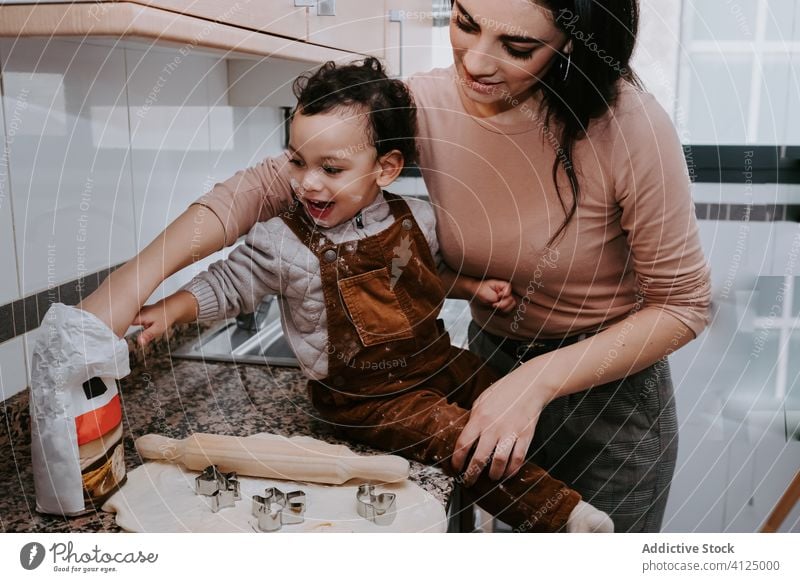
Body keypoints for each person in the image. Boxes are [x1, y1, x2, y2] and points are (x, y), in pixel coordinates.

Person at [80, 0, 710, 532]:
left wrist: (535, 382)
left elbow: (685, 304)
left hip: (610, 397)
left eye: (517, 46)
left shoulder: (631, 127)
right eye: (465, 22)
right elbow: (264, 187)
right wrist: (134, 283)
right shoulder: (427, 104)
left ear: (573, 40)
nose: (477, 61)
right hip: (486, 362)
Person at [133, 58, 613, 533]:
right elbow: (227, 283)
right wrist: (170, 311)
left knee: (504, 396)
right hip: (365, 399)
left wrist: (469, 289)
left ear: (385, 168)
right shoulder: (284, 241)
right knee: (459, 438)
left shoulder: (415, 219)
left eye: (332, 168)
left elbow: (417, 277)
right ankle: (561, 516)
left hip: (435, 359)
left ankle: (546, 484)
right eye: (297, 161)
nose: (308, 182)